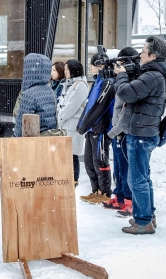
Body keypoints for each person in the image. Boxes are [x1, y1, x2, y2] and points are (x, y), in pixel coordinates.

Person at [114, 36, 166, 235]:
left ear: (153, 55)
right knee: (143, 178)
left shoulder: (152, 76)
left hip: (141, 133)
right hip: (145, 132)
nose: (140, 54)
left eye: (144, 51)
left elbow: (126, 93)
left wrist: (121, 75)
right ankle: (147, 215)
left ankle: (143, 221)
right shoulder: (155, 74)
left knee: (137, 180)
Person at [104, 47, 139, 216]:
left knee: (126, 168)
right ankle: (119, 196)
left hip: (124, 131)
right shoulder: (121, 80)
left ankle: (129, 200)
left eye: (123, 62)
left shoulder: (133, 82)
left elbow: (126, 111)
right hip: (117, 130)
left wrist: (114, 131)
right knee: (118, 167)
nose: (119, 66)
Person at [76, 53, 115, 205]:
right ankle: (96, 189)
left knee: (100, 160)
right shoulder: (97, 82)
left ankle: (105, 192)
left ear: (100, 65)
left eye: (92, 64)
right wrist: (83, 124)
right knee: (89, 161)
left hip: (102, 128)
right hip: (92, 128)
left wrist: (83, 125)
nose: (90, 67)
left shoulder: (108, 83)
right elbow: (89, 106)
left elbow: (99, 107)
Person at [57, 60, 88, 187]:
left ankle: (73, 180)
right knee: (66, 153)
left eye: (67, 69)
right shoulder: (68, 84)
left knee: (72, 154)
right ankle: (66, 178)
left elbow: (71, 106)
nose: (65, 72)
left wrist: (59, 119)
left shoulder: (80, 85)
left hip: (72, 125)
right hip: (66, 124)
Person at [14, 53, 58, 137]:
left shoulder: (29, 94)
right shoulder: (50, 91)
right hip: (48, 139)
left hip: (33, 142)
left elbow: (21, 125)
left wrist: (14, 138)